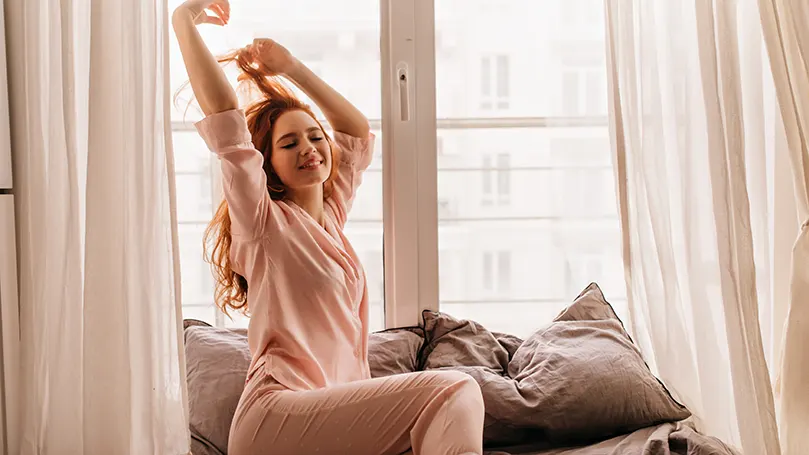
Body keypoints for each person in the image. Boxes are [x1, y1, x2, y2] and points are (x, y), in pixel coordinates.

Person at [171, 1, 485, 454]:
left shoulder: (332, 217)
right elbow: (228, 124)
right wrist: (183, 21)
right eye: (289, 142)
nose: (309, 148)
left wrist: (291, 68)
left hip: (330, 414)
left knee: (453, 405)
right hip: (278, 414)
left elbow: (355, 131)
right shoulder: (262, 222)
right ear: (268, 164)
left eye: (314, 136)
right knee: (453, 389)